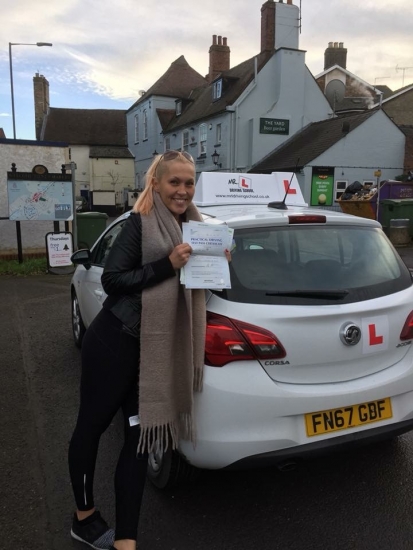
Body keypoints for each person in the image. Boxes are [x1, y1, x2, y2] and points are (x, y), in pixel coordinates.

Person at [68, 150, 228, 550]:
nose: (183, 190)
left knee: (139, 442)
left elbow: (201, 289)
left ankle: (126, 541)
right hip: (113, 342)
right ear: (155, 183)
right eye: (175, 182)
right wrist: (167, 266)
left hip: (153, 354)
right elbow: (115, 279)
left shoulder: (195, 227)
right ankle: (84, 517)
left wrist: (218, 265)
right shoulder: (141, 224)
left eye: (189, 183)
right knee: (91, 427)